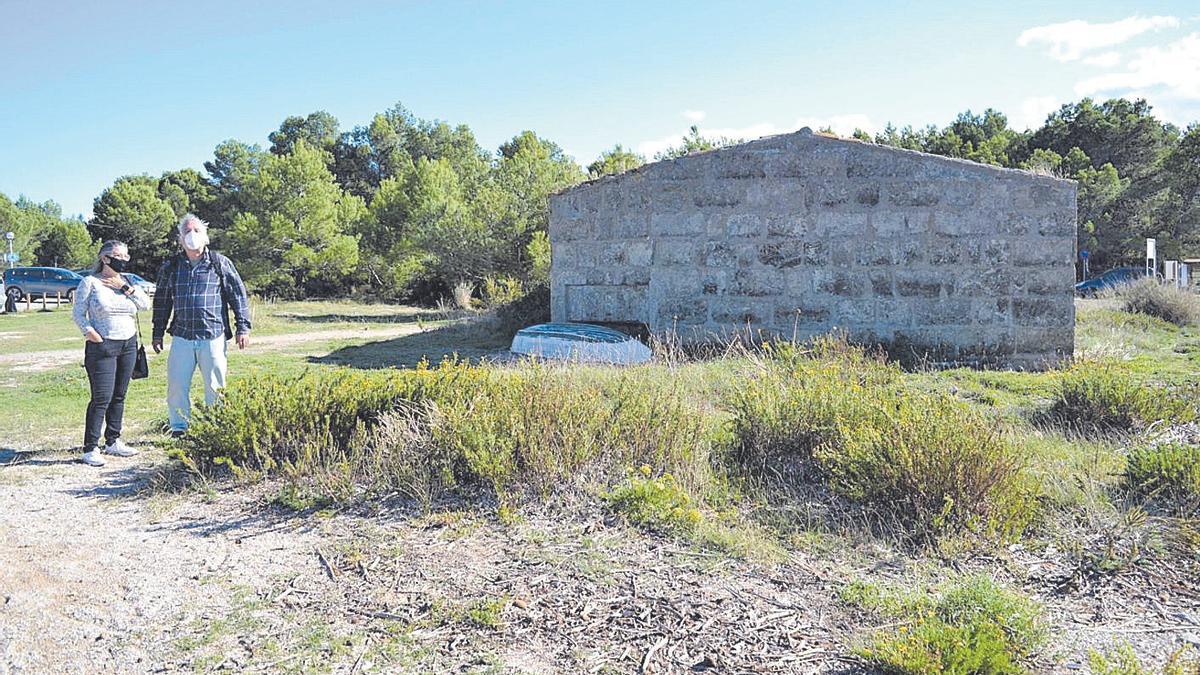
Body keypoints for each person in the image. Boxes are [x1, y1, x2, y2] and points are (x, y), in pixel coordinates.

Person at [152, 213, 252, 437]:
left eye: (196, 230)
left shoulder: (219, 263)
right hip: (182, 337)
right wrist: (157, 332)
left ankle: (216, 427)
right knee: (176, 386)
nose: (191, 235)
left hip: (213, 336)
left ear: (206, 237)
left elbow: (238, 295)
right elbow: (162, 300)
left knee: (216, 386)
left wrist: (243, 328)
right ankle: (179, 428)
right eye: (187, 231)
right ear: (180, 238)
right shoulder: (172, 266)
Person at [73, 240, 151, 467]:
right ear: (105, 258)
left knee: (120, 394)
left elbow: (145, 305)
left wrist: (124, 287)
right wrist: (91, 334)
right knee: (101, 397)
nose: (123, 260)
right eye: (119, 256)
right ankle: (90, 448)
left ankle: (113, 440)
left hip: (128, 344)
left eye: (126, 256)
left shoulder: (127, 281)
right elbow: (78, 314)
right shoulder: (90, 282)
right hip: (102, 346)